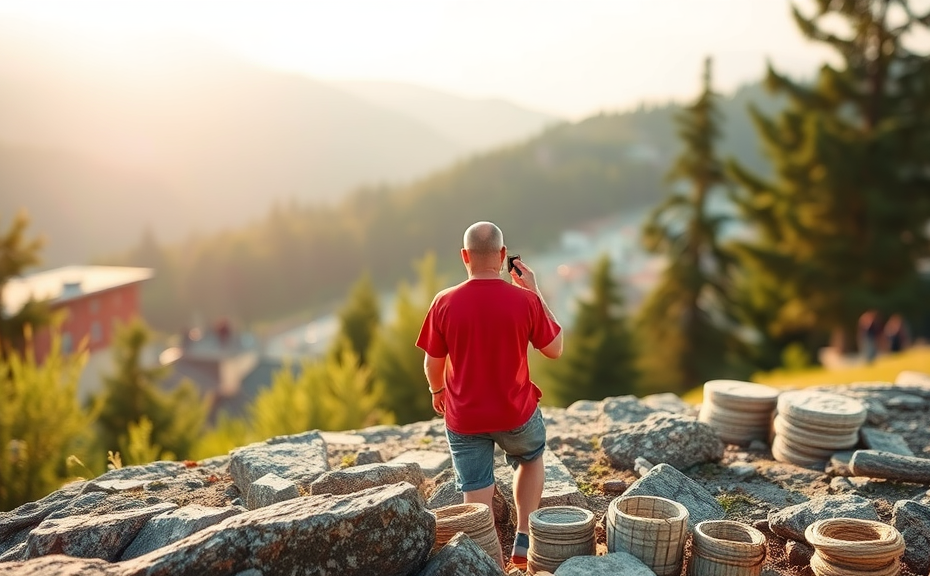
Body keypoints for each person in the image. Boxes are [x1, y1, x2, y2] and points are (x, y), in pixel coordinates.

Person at [416, 221, 563, 569]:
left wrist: (438, 391)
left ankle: (491, 561)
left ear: (465, 256)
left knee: (476, 488)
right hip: (516, 412)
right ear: (501, 255)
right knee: (530, 458)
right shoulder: (525, 300)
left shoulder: (444, 302)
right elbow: (555, 349)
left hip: (465, 418)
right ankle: (525, 534)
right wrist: (536, 291)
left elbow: (431, 364)